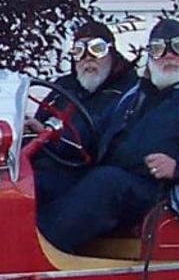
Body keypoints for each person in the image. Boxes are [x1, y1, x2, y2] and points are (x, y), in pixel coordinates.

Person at [37, 16, 179, 255]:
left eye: (178, 47)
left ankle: (39, 252)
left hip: (162, 193)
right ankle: (2, 251)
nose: (168, 55)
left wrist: (178, 167)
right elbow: (93, 137)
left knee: (106, 182)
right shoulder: (134, 97)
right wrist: (53, 137)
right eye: (158, 49)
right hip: (116, 182)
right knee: (41, 182)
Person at [29, 20, 135, 213]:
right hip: (45, 165)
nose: (88, 59)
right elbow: (40, 122)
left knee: (30, 187)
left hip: (85, 174)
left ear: (112, 52)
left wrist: (54, 138)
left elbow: (105, 142)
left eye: (97, 49)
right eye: (79, 51)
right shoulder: (64, 87)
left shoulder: (128, 92)